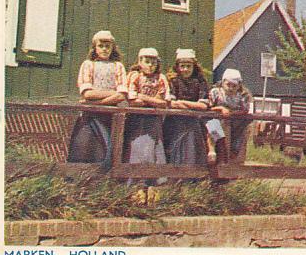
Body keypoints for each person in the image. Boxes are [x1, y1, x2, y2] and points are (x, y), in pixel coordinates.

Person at [67, 30, 127, 171]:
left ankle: (103, 182)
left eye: (108, 46)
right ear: (95, 48)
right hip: (89, 116)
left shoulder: (118, 66)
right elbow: (87, 93)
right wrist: (111, 94)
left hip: (109, 117)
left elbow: (122, 95)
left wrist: (97, 103)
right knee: (84, 147)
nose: (105, 49)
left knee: (106, 149)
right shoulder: (88, 65)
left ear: (113, 47)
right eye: (101, 46)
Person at [124, 48, 169, 185]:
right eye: (147, 62)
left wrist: (142, 97)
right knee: (136, 147)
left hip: (153, 119)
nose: (150, 65)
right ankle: (134, 182)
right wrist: (153, 101)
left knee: (153, 148)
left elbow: (163, 102)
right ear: (140, 62)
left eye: (153, 63)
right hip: (136, 119)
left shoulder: (161, 78)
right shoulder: (134, 76)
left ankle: (153, 183)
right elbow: (132, 100)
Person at [163, 49, 210, 166]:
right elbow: (172, 104)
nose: (185, 69)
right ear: (177, 67)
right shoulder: (172, 81)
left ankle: (193, 177)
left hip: (194, 120)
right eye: (182, 66)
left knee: (193, 145)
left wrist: (182, 103)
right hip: (175, 120)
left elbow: (203, 105)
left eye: (188, 66)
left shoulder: (200, 82)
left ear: (194, 66)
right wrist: (192, 105)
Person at [208, 68, 252, 165]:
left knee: (243, 128)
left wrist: (232, 113)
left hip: (235, 122)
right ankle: (213, 151)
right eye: (228, 85)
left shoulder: (243, 95)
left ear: (239, 85)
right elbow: (208, 107)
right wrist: (220, 109)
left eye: (234, 86)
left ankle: (234, 157)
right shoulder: (215, 92)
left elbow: (245, 110)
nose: (231, 88)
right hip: (215, 120)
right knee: (213, 124)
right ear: (223, 82)